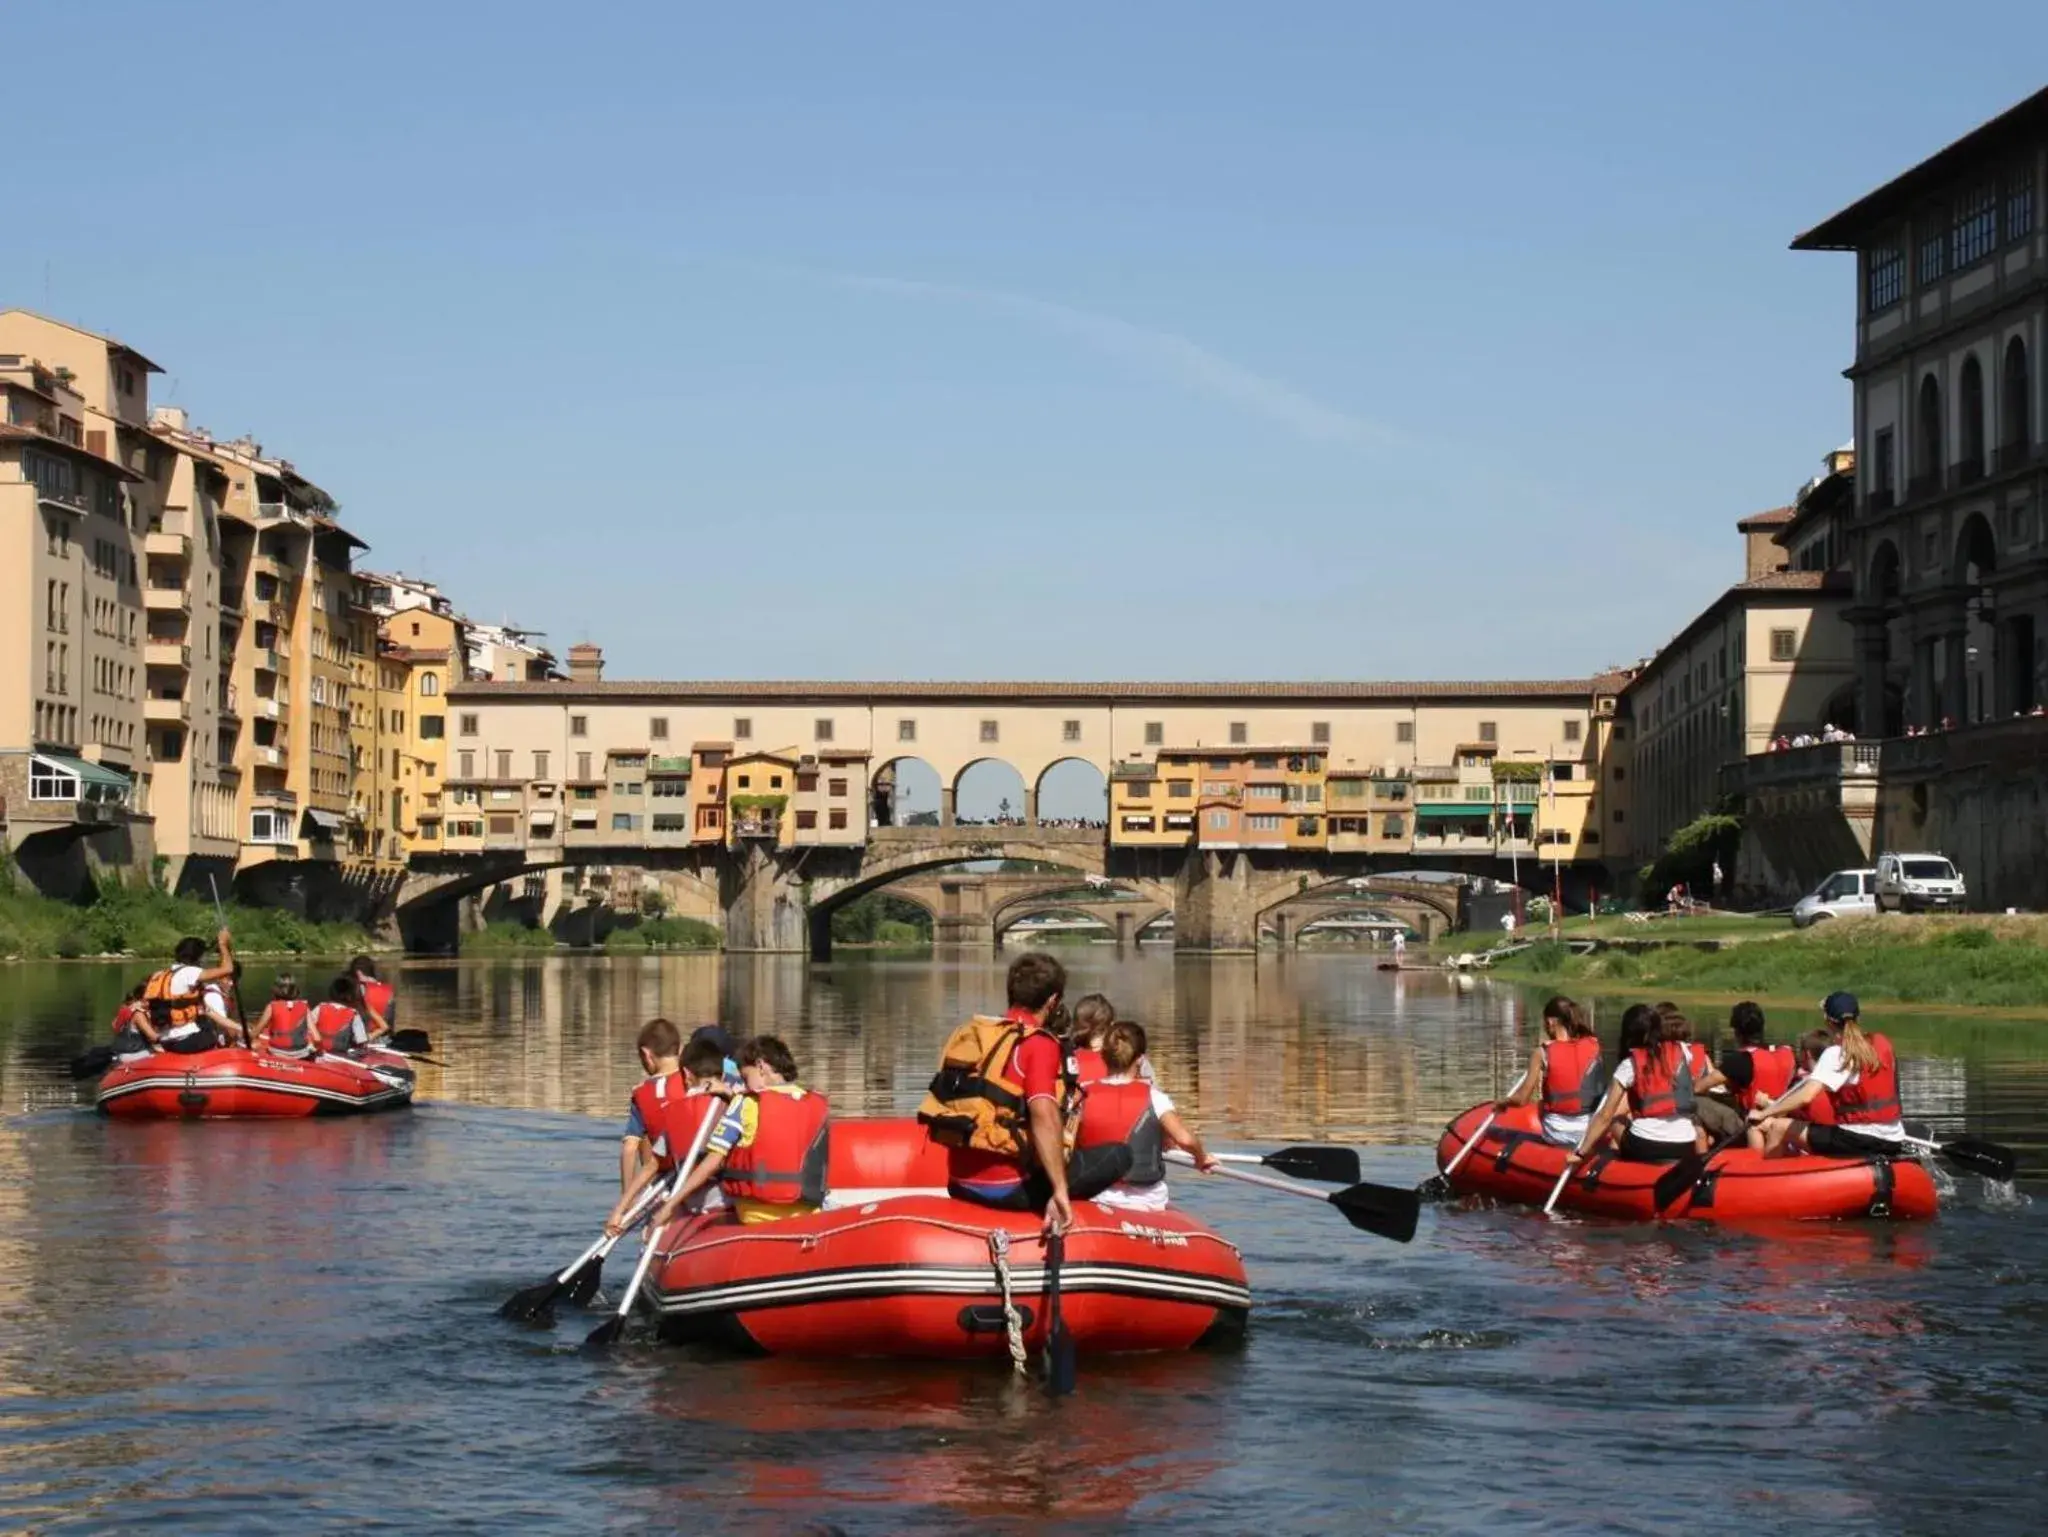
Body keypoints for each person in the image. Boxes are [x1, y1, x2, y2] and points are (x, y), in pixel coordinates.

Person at [918, 952, 1131, 1232]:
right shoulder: (1039, 1044)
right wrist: (1059, 1191)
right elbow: (1043, 1115)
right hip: (1009, 1189)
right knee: (1120, 1155)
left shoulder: (979, 1034)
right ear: (1053, 1001)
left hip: (959, 1182)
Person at [652, 1036, 829, 1227]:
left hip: (756, 1215)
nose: (745, 1086)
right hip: (808, 1214)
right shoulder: (817, 1105)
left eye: (745, 1078)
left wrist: (670, 1205)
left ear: (761, 1066)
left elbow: (712, 1161)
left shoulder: (746, 1103)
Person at [1076, 1020, 1217, 1211]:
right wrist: (1201, 1157)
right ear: (1141, 1059)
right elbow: (1185, 1140)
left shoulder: (1081, 1095)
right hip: (1145, 1200)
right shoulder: (1155, 1097)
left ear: (1103, 1056)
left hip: (1096, 1196)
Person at [1750, 993, 1905, 1159]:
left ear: (1828, 1021)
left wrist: (1764, 1113)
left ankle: (1771, 1180)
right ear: (1857, 1017)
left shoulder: (1836, 1053)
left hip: (1855, 1140)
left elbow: (1805, 1097)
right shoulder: (1882, 1042)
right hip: (1893, 1138)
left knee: (1778, 1127)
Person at [608, 1028, 731, 1235]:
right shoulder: (737, 1102)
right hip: (727, 1197)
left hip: (678, 1187)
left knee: (651, 1229)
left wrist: (621, 1208)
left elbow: (643, 1159)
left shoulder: (673, 1110)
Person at [1567, 1003, 1700, 1165]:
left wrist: (1581, 1152)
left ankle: (1614, 1159)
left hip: (1647, 1146)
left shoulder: (1629, 1065)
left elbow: (1605, 1115)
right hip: (1686, 1145)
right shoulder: (1683, 1051)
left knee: (1616, 1119)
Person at [1495, 995, 1605, 1149]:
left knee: (1541, 1104)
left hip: (1558, 1134)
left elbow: (1521, 1100)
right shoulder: (1595, 1045)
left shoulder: (1542, 1052)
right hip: (1590, 1132)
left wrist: (1503, 1102)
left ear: (1550, 1022)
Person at [142, 930, 240, 1054]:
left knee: (203, 1017)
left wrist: (238, 1027)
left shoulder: (162, 974)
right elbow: (228, 969)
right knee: (212, 1032)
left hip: (166, 1040)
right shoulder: (190, 972)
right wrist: (223, 944)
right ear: (197, 956)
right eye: (204, 955)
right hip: (186, 1041)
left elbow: (209, 1012)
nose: (205, 959)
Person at [1658, 1003, 1741, 1148]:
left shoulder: (1657, 1055)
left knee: (1699, 1129)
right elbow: (1718, 1087)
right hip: (1698, 1110)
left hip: (1682, 1112)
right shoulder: (1700, 1054)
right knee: (1701, 1128)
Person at [1716, 1001, 1796, 1149]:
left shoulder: (1738, 1060)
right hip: (1782, 1120)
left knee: (1701, 1108)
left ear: (1736, 1032)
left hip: (1752, 1121)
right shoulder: (1787, 1054)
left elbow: (1700, 1086)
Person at [310, 975, 384, 1057]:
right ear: (351, 996)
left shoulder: (320, 1007)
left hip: (319, 1051)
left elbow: (308, 1028)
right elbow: (361, 1040)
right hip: (340, 1054)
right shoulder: (354, 1014)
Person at [253, 974, 313, 1057]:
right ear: (295, 989)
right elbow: (317, 1038)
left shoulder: (271, 1006)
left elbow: (255, 1033)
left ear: (276, 989)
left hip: (277, 1051)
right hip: (300, 1052)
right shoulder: (305, 1006)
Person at [1069, 993, 1116, 1082]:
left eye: (1100, 1032)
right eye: (1090, 1034)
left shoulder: (1067, 1059)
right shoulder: (1122, 1061)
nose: (1094, 1042)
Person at [109, 983, 155, 1059]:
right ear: (142, 998)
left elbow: (114, 1026)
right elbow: (153, 1037)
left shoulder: (124, 1010)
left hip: (120, 1052)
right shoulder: (138, 1014)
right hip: (133, 1053)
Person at [350, 955, 396, 1030]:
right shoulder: (389, 991)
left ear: (358, 972)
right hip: (385, 1038)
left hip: (364, 1037)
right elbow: (390, 1021)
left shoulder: (356, 990)